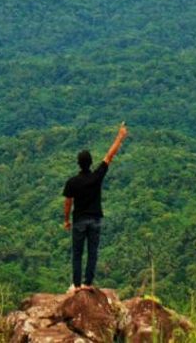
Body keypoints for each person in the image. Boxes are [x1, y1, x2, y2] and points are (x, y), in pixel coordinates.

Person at [62, 122, 128, 291]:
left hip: (79, 220)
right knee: (92, 252)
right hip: (95, 219)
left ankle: (77, 285)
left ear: (78, 163)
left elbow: (68, 202)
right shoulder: (96, 176)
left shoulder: (72, 182)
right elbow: (109, 156)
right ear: (90, 163)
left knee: (77, 254)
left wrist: (66, 220)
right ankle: (88, 283)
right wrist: (120, 136)